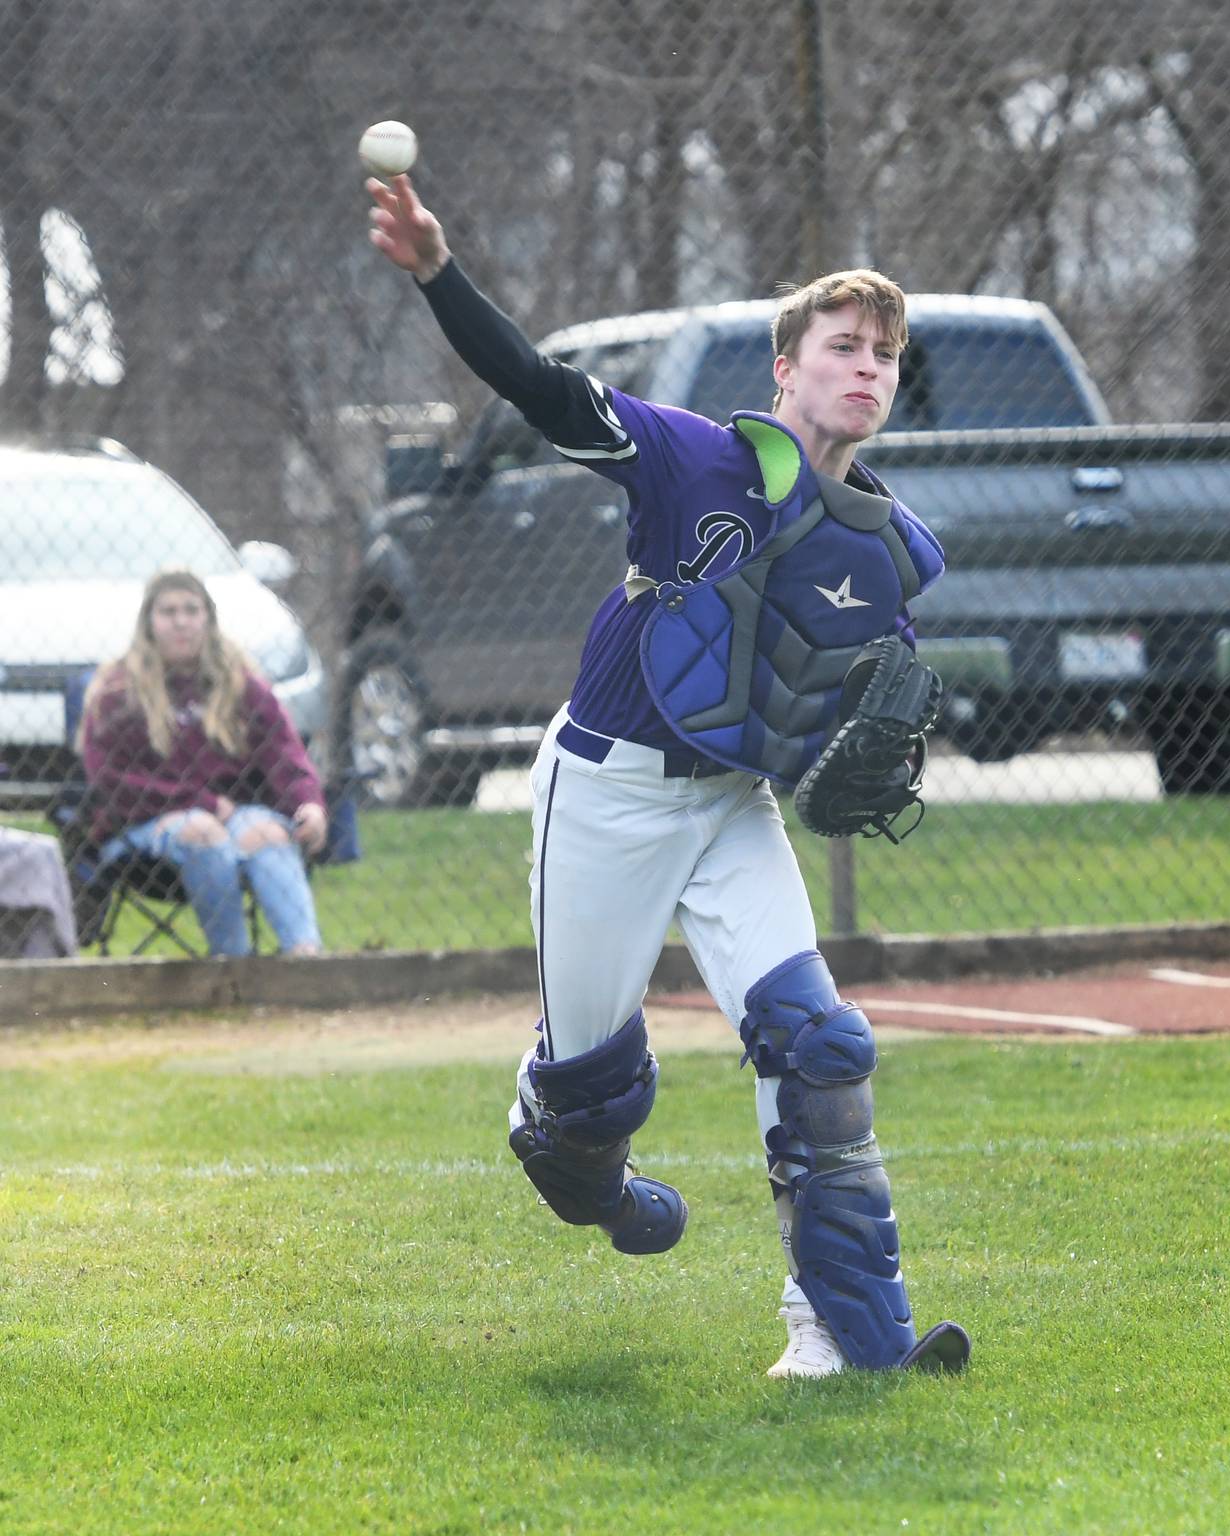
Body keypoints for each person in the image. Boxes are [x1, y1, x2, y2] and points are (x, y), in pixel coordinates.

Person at [367, 174, 968, 1378]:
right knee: (591, 1096)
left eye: (885, 353)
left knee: (819, 1043)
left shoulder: (891, 551)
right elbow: (537, 390)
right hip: (606, 790)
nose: (867, 367)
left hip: (731, 810)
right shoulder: (687, 459)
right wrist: (440, 271)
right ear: (784, 372)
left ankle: (846, 1338)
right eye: (841, 346)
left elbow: (849, 711)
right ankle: (568, 1141)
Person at [81, 568, 327, 958]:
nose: (181, 621)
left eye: (191, 610)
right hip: (147, 825)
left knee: (268, 833)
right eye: (168, 611)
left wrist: (307, 802)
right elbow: (111, 781)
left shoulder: (242, 685)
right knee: (201, 831)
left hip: (238, 815)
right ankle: (232, 966)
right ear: (149, 622)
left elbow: (285, 753)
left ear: (208, 620)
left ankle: (307, 961)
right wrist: (204, 804)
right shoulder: (117, 692)